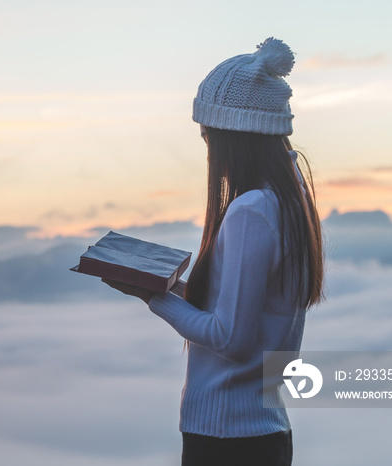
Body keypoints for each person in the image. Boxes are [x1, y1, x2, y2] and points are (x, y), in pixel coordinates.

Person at [102, 37, 325, 466]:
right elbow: (246, 311)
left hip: (228, 439)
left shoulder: (251, 211)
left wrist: (152, 296)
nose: (208, 150)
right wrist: (176, 287)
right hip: (262, 430)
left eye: (209, 137)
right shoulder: (290, 198)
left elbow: (231, 339)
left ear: (233, 135)